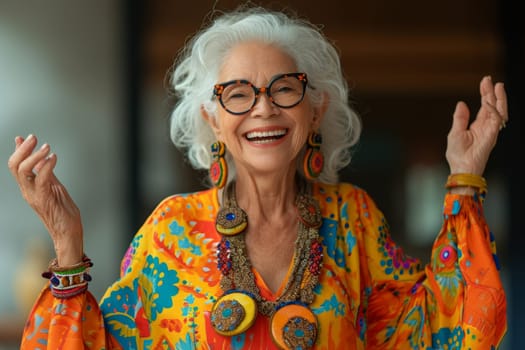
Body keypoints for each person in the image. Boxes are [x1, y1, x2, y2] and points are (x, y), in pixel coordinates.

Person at [8, 5, 508, 350]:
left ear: (315, 112)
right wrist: (68, 245)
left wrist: (465, 180)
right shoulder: (172, 230)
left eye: (283, 89)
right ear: (213, 121)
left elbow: (442, 329)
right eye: (239, 94)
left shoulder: (353, 218)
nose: (264, 109)